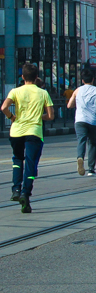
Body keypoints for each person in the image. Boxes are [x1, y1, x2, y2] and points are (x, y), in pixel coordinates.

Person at [2, 64, 55, 212]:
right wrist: (39, 116)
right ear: (36, 77)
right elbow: (50, 116)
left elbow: (4, 107)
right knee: (31, 164)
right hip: (34, 132)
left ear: (23, 77)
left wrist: (12, 117)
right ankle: (26, 193)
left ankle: (16, 190)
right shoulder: (43, 93)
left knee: (18, 159)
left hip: (17, 132)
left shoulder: (15, 91)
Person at [67, 68, 96, 176]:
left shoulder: (77, 90)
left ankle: (80, 157)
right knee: (92, 143)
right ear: (92, 80)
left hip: (80, 120)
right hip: (93, 121)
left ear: (82, 80)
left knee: (81, 140)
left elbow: (69, 105)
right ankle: (91, 169)